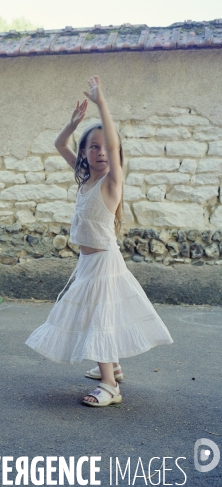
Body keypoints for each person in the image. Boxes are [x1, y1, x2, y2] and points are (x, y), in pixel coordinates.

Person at [25, 76, 173, 407]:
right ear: (84, 154)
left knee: (99, 318)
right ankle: (114, 366)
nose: (101, 152)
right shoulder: (85, 180)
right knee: (97, 315)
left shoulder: (110, 184)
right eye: (93, 146)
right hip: (89, 261)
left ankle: (110, 386)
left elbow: (113, 145)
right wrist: (73, 122)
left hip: (104, 261)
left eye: (106, 147)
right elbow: (60, 144)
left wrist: (102, 103)